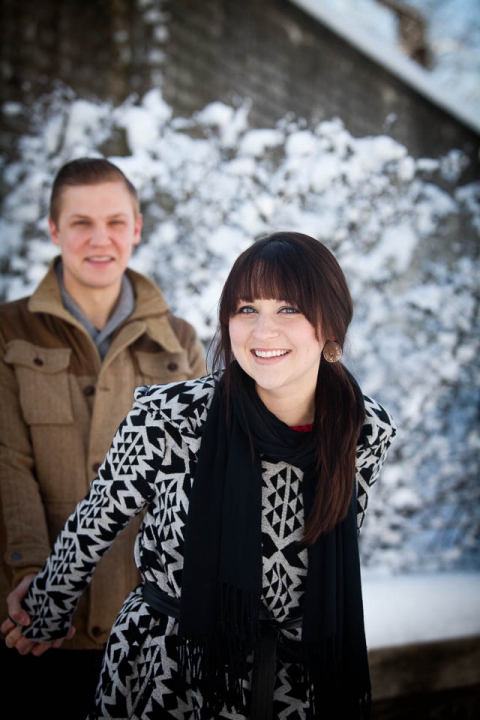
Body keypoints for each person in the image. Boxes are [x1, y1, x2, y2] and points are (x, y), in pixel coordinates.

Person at [3, 232, 396, 719]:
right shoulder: (171, 417)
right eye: (246, 309)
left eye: (289, 309)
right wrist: (42, 609)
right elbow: (93, 524)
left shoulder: (363, 430)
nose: (262, 331)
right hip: (169, 671)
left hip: (296, 684)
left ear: (331, 323)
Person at [0, 158, 206, 718]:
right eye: (81, 223)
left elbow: (194, 482)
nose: (100, 239)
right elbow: (7, 462)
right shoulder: (8, 330)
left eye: (115, 222)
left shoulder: (180, 341)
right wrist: (35, 586)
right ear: (54, 230)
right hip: (35, 626)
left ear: (137, 228)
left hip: (146, 632)